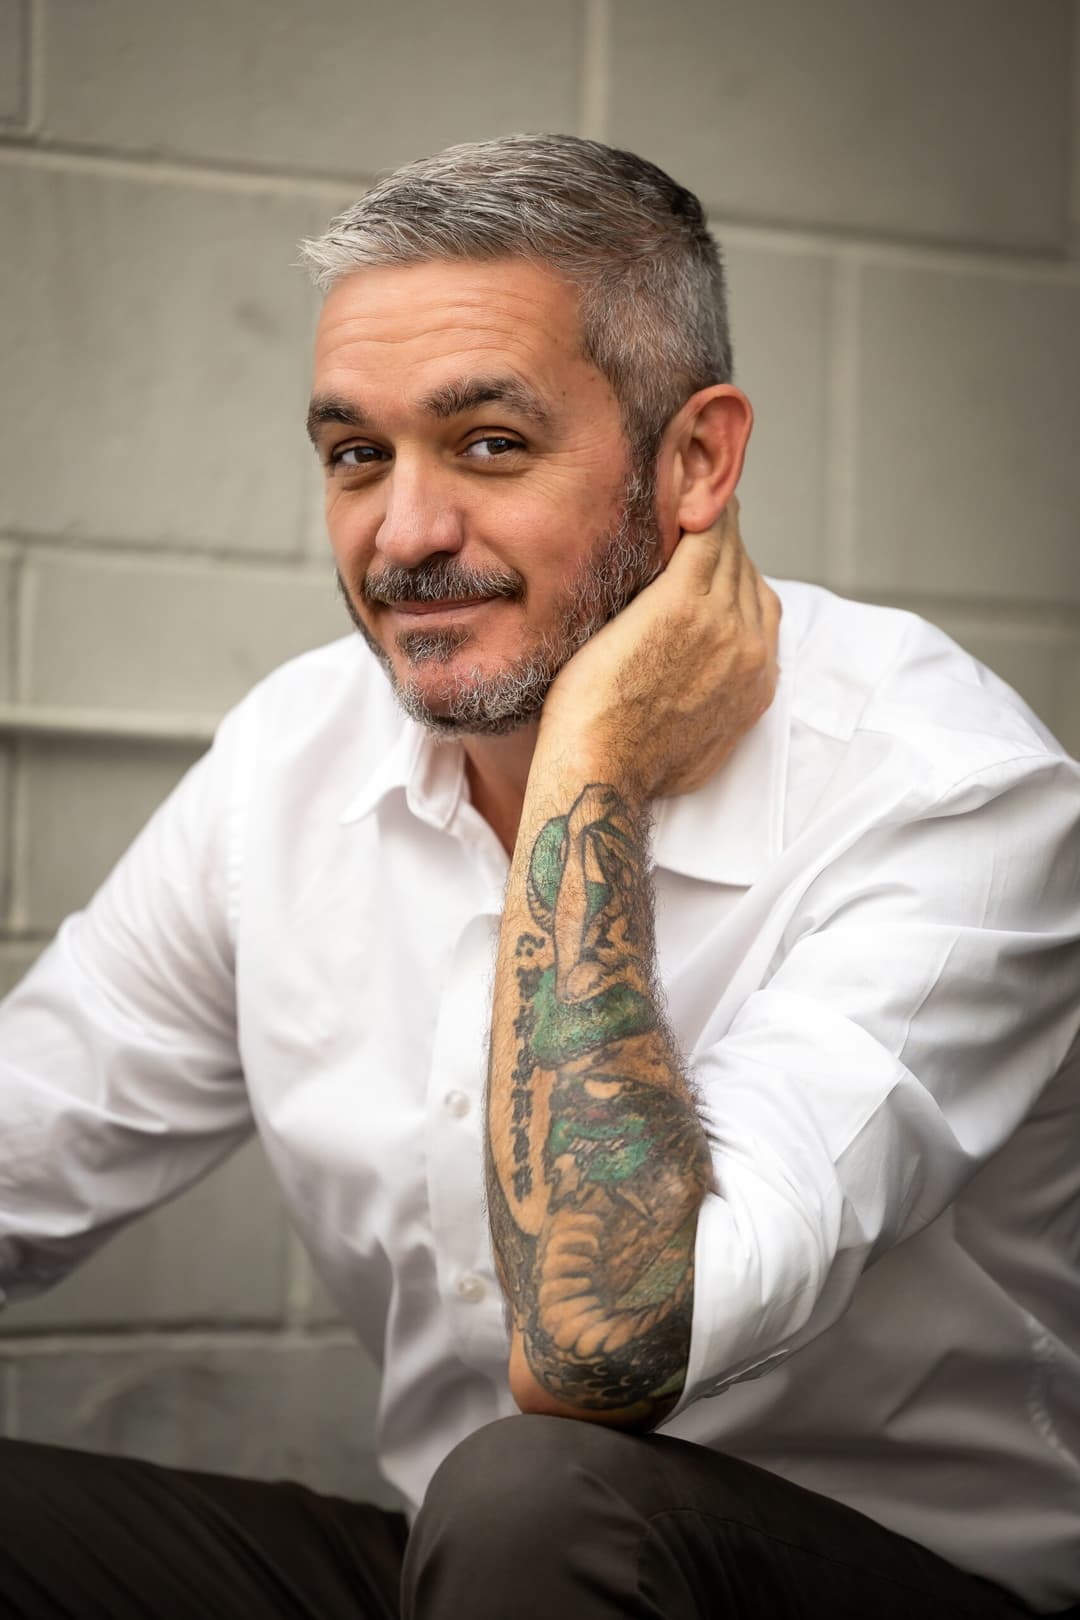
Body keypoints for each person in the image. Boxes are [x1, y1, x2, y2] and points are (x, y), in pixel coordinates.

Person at [0, 133, 1077, 1620]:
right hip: (469, 1575)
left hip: (885, 1587)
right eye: (356, 455)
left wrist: (592, 766)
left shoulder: (943, 787)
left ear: (696, 462)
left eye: (490, 444)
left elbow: (602, 1348)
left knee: (538, 1491)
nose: (404, 534)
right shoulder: (294, 756)